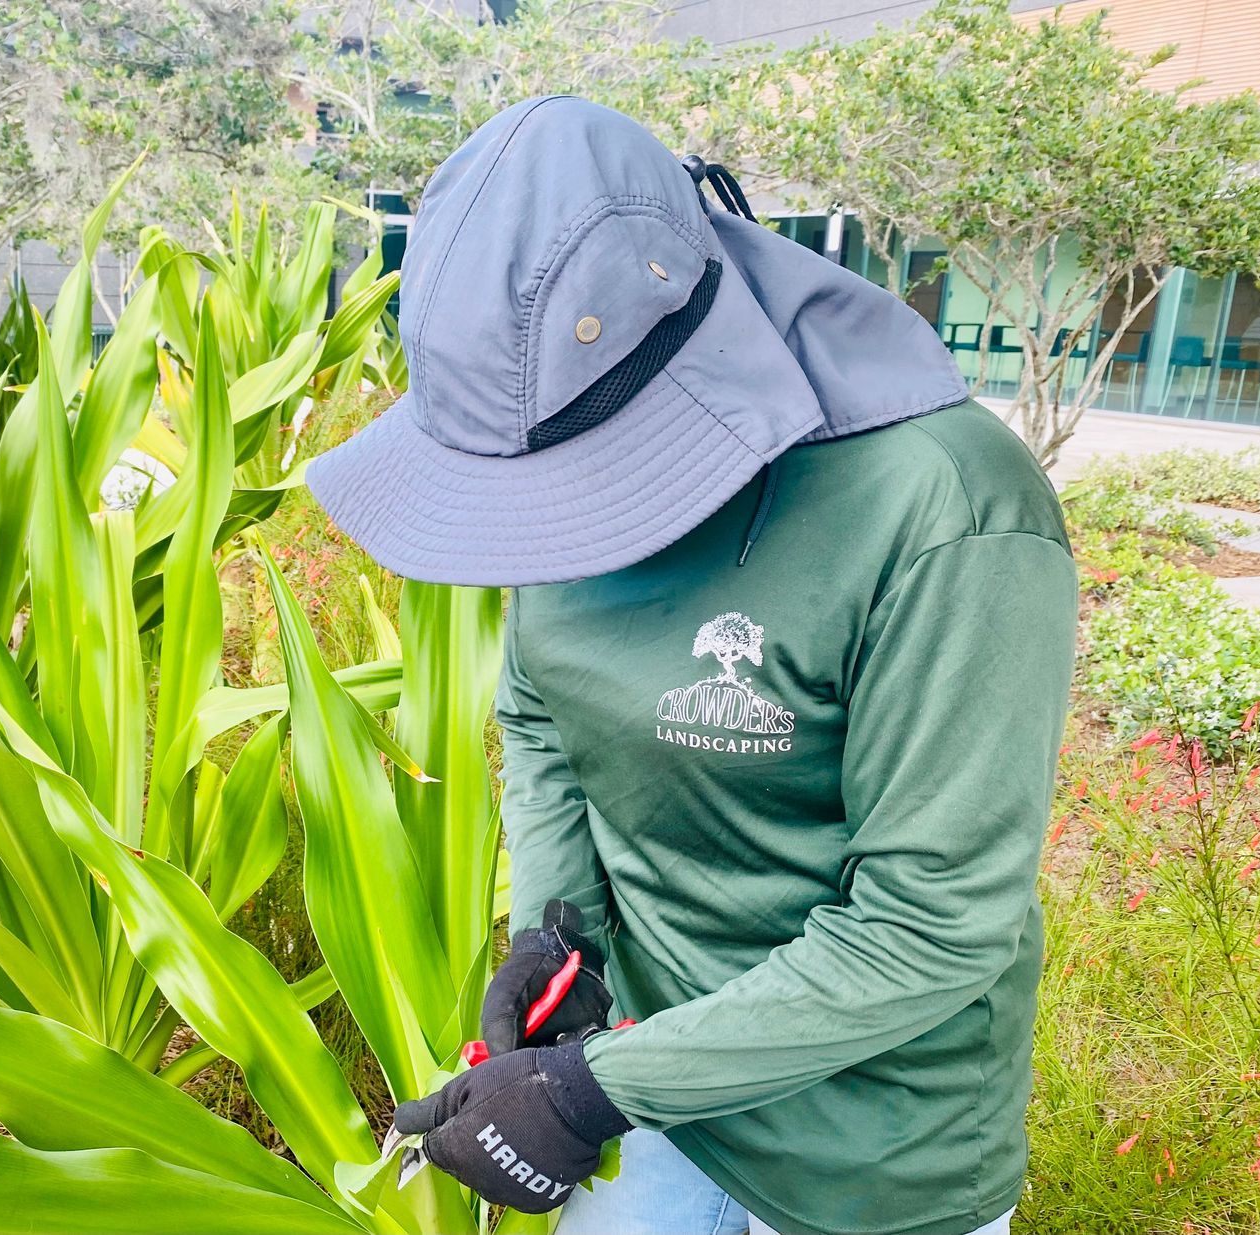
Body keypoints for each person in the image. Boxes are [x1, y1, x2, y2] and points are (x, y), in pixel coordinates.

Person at [307, 97, 1076, 1235]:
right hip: (658, 1096)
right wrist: (557, 927)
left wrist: (588, 1090)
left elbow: (932, 924)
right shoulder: (556, 444)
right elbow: (539, 713)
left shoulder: (945, 508)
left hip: (865, 1157)